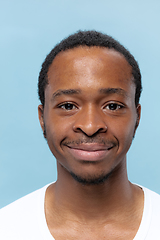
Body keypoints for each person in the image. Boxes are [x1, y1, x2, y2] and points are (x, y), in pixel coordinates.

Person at [0, 30, 160, 240]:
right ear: (42, 118)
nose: (91, 126)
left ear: (137, 117)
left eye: (112, 106)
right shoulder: (7, 229)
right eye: (68, 106)